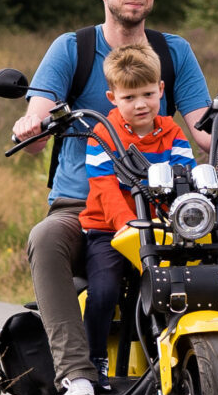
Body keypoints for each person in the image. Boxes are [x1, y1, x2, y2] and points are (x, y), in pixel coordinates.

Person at [9, 0, 218, 395]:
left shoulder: (174, 51)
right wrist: (28, 126)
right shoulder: (74, 48)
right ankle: (79, 381)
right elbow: (39, 113)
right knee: (45, 239)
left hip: (164, 202)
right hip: (82, 206)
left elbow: (201, 127)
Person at [77, 46, 190, 374]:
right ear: (112, 97)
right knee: (104, 290)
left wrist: (178, 215)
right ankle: (94, 361)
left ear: (161, 90)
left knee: (174, 286)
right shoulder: (102, 134)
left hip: (161, 229)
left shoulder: (173, 133)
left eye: (148, 94)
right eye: (129, 98)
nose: (140, 104)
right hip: (110, 231)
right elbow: (105, 189)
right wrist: (129, 225)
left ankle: (170, 361)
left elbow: (182, 178)